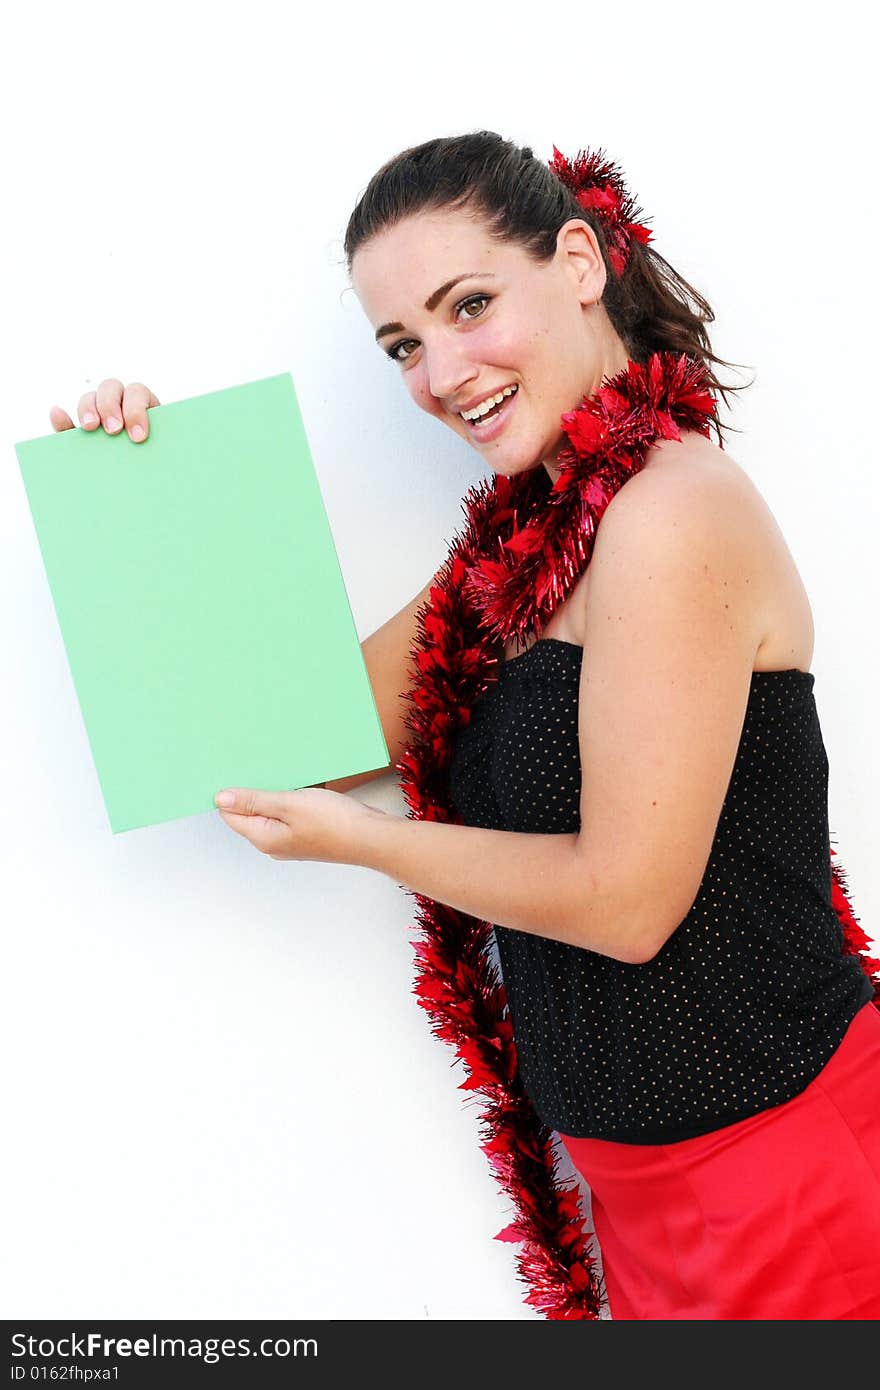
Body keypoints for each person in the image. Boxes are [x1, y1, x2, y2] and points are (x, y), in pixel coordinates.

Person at [49, 131, 880, 1321]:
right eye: (402, 344)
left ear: (581, 261)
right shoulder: (519, 553)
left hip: (787, 1181)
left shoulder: (673, 512)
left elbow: (628, 903)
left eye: (470, 305)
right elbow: (268, 730)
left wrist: (364, 841)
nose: (441, 372)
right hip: (640, 1197)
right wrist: (141, 486)